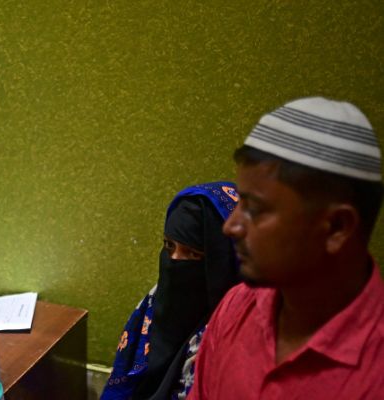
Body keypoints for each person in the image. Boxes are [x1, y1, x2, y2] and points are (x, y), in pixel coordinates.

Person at [188, 97, 384, 399]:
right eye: (239, 201)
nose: (231, 226)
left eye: (254, 208)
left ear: (336, 227)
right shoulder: (237, 308)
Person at [101, 181, 240, 400]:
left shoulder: (233, 334)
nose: (174, 261)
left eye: (192, 254)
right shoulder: (155, 300)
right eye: (169, 246)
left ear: (222, 261)